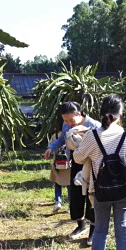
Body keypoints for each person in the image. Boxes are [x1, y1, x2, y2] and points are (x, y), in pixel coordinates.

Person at [73, 94, 126, 250]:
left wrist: (81, 144)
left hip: (99, 190)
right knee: (122, 231)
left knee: (100, 230)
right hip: (123, 190)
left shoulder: (92, 135)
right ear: (120, 114)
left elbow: (78, 158)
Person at [44, 102, 100, 241]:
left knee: (91, 196)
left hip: (93, 164)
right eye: (65, 120)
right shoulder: (66, 125)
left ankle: (94, 230)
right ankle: (81, 225)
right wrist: (51, 147)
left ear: (79, 113)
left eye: (71, 120)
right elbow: (63, 138)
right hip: (75, 162)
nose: (68, 123)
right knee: (75, 195)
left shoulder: (94, 126)